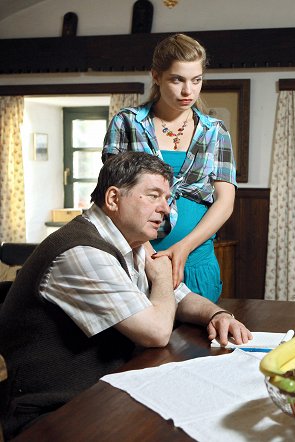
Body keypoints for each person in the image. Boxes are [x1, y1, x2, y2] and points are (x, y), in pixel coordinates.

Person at [0, 152, 252, 438]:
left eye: (166, 198)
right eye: (153, 195)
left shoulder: (129, 241)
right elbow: (156, 332)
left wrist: (216, 314)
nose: (166, 209)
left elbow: (180, 297)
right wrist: (160, 278)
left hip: (107, 389)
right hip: (53, 413)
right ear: (113, 199)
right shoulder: (81, 251)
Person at [103, 33, 235, 302]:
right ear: (156, 76)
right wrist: (149, 255)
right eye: (177, 79)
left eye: (196, 80)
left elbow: (226, 200)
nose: (188, 91)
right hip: (138, 260)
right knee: (145, 342)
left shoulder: (215, 131)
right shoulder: (126, 123)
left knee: (202, 341)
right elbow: (112, 197)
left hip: (196, 259)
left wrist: (184, 247)